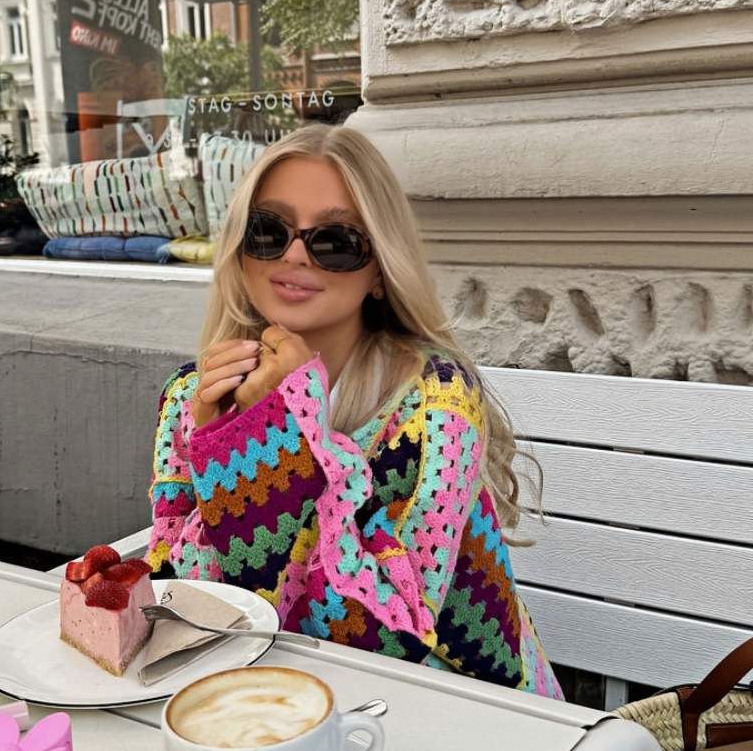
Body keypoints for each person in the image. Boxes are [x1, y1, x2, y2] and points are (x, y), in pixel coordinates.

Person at [146, 123, 563, 701]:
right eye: (267, 231)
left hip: (463, 704)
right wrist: (228, 439)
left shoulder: (436, 404)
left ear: (379, 272)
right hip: (268, 700)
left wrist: (284, 436)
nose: (294, 254)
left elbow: (393, 637)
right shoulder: (193, 396)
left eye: (336, 241)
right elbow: (179, 597)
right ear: (240, 254)